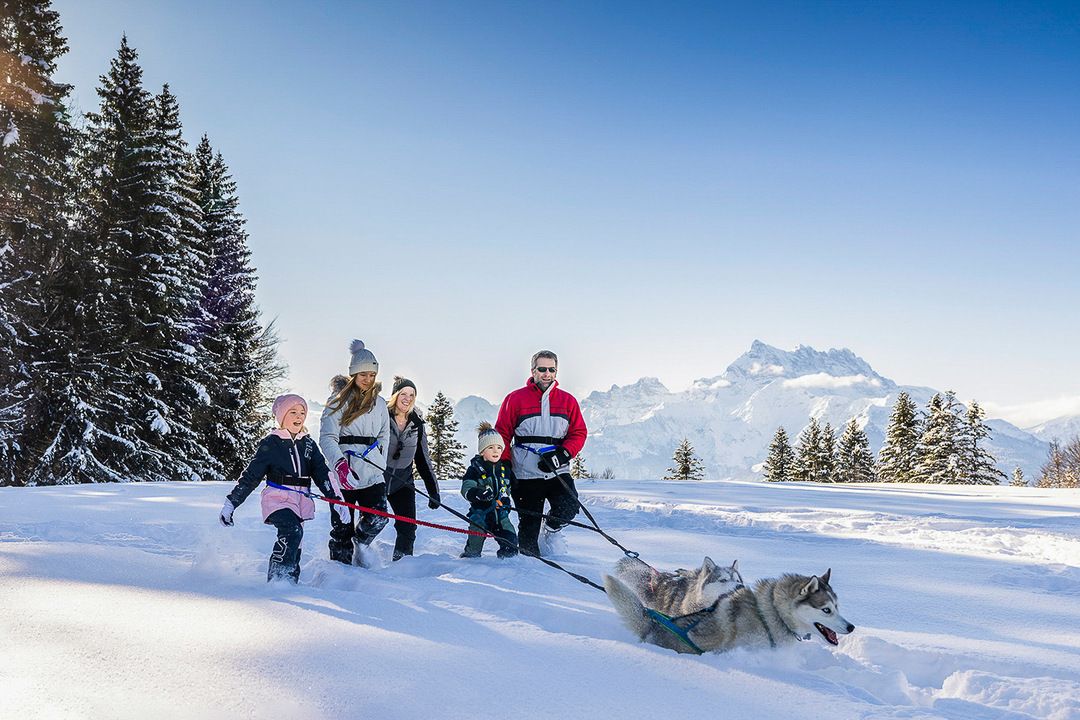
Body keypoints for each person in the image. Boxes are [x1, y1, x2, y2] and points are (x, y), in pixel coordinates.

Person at [219, 394, 349, 583]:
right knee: (292, 531)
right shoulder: (271, 443)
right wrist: (232, 502)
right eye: (293, 412)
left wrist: (337, 500)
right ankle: (279, 579)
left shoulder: (309, 445)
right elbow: (251, 476)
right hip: (277, 498)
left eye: (302, 412)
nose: (299, 416)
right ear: (281, 416)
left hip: (300, 500)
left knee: (297, 542)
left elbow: (323, 474)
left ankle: (290, 583)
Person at [495, 350, 587, 557]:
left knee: (568, 508)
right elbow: (502, 433)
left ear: (556, 372)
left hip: (557, 469)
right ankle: (530, 570)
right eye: (542, 369)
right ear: (533, 371)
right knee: (529, 525)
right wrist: (505, 465)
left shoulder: (568, 401)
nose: (547, 374)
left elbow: (578, 432)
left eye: (551, 369)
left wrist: (562, 455)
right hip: (525, 473)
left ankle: (551, 529)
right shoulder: (515, 399)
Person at [320, 339, 391, 567]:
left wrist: (380, 461)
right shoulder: (337, 401)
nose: (368, 379)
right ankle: (340, 573)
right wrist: (339, 465)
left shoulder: (380, 404)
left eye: (372, 375)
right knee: (342, 527)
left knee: (379, 516)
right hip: (345, 471)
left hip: (371, 470)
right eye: (363, 375)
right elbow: (327, 437)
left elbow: (384, 435)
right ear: (353, 375)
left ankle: (361, 542)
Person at [383, 376, 442, 560]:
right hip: (377, 479)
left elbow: (423, 459)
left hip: (403, 482)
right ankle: (360, 551)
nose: (407, 398)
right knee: (373, 521)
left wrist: (433, 491)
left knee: (408, 527)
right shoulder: (382, 417)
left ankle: (402, 566)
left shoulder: (417, 423)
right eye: (403, 394)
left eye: (412, 394)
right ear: (395, 395)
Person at [460, 423, 518, 558]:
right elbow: (466, 488)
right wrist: (478, 494)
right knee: (473, 550)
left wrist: (507, 498)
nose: (495, 451)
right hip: (481, 514)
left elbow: (509, 489)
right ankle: (470, 559)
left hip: (501, 516)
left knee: (511, 544)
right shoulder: (474, 469)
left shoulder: (506, 470)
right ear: (482, 451)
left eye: (499, 447)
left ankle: (508, 564)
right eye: (490, 447)